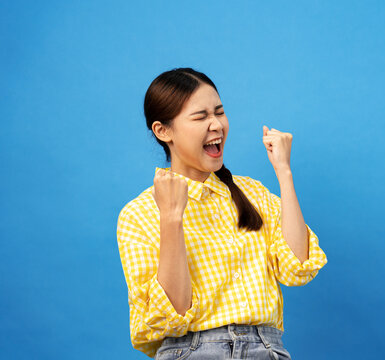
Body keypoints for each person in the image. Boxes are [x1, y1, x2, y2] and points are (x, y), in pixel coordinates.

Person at [116, 67, 327, 359]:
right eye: (201, 117)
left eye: (219, 112)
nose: (216, 125)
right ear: (163, 131)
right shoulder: (139, 214)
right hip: (191, 351)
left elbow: (298, 267)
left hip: (266, 349)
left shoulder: (252, 193)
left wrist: (284, 171)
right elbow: (173, 312)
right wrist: (172, 219)